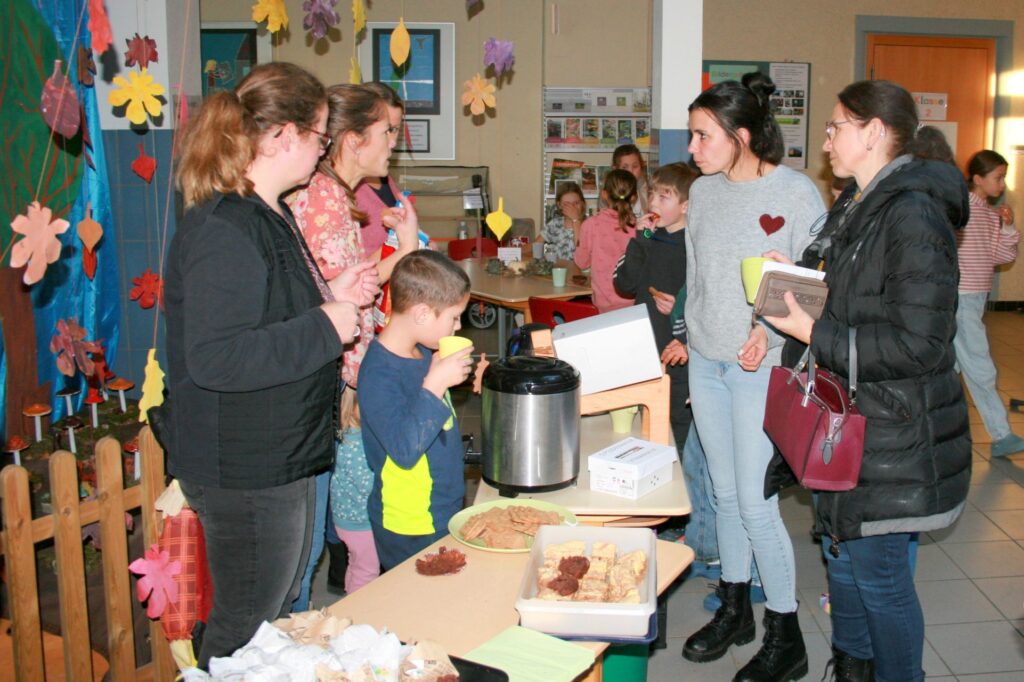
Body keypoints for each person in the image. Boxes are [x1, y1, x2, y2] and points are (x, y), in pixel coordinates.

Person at [164, 62, 378, 667]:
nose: (322, 149)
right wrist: (325, 325)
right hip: (246, 464)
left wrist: (332, 290)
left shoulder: (268, 212)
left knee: (283, 607)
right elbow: (216, 357)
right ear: (283, 135)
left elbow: (265, 309)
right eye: (317, 136)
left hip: (283, 451)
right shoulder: (224, 227)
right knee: (248, 620)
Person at [765, 80, 971, 682]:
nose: (825, 140)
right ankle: (852, 669)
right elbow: (856, 297)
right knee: (844, 562)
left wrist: (811, 334)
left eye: (835, 127)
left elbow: (919, 342)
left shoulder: (912, 212)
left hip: (893, 432)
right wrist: (795, 279)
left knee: (880, 579)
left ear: (874, 131)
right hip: (852, 422)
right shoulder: (861, 201)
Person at [681, 72, 823, 681]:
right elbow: (700, 278)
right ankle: (735, 608)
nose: (691, 148)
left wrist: (766, 333)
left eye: (701, 135)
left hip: (761, 367)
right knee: (723, 493)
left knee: (757, 504)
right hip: (708, 365)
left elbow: (815, 288)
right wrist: (690, 339)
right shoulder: (705, 193)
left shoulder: (797, 194)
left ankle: (786, 634)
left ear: (740, 136)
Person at [287, 82, 417, 608]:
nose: (395, 142)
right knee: (310, 537)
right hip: (335, 380)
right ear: (353, 138)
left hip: (342, 375)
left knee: (324, 526)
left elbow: (342, 284)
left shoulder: (333, 195)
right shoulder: (323, 195)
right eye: (387, 131)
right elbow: (342, 298)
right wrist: (405, 251)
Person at [358, 250, 473, 570]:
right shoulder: (378, 373)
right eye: (453, 317)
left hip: (441, 505)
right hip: (409, 522)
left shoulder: (422, 351)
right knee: (416, 607)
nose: (458, 326)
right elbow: (404, 449)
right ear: (422, 314)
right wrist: (435, 383)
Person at [955, 150, 1024, 457]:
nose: (1002, 183)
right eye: (998, 177)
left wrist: (1008, 229)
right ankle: (1001, 434)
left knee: (952, 366)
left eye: (1004, 177)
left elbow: (1001, 257)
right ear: (979, 179)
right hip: (961, 297)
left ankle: (940, 432)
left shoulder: (989, 213)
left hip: (975, 298)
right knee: (980, 367)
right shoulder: (962, 209)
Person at [330, 387, 379, 592]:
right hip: (361, 522)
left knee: (356, 565)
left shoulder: (343, 438)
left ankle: (350, 601)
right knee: (368, 571)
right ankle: (361, 613)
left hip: (344, 519)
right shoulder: (357, 445)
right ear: (353, 407)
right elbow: (368, 486)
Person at [353, 81, 407, 263]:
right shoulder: (340, 190)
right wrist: (407, 247)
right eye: (386, 130)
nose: (391, 141)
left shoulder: (384, 177)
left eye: (395, 130)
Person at [574, 169, 638, 313]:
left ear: (604, 194)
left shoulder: (590, 225)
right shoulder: (641, 228)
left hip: (603, 305)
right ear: (634, 197)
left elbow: (581, 262)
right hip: (635, 303)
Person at [539, 181, 586, 262]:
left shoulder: (591, 224)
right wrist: (514, 251)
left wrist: (575, 220)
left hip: (581, 272)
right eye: (567, 204)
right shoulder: (555, 224)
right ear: (559, 205)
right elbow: (536, 245)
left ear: (582, 203)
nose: (572, 208)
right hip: (558, 271)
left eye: (576, 203)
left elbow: (582, 252)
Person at [613, 143, 649, 217]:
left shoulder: (650, 189)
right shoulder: (609, 190)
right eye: (625, 167)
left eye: (635, 166)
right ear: (615, 169)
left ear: (641, 167)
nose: (630, 172)